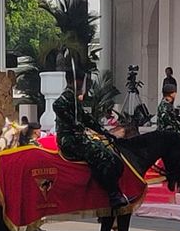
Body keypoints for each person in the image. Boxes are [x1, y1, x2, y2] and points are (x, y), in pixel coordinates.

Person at [54, 71, 128, 209]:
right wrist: (74, 122)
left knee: (109, 151)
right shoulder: (67, 97)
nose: (83, 85)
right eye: (80, 82)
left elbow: (87, 119)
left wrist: (105, 132)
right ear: (73, 81)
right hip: (70, 139)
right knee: (103, 156)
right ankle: (112, 195)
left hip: (78, 137)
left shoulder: (75, 99)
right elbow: (57, 105)